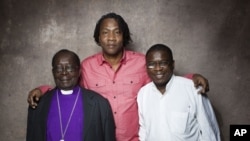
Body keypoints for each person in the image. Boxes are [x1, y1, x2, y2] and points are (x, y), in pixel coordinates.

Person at [27, 13, 210, 141]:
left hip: (135, 139)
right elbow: (67, 86)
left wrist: (192, 78)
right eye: (105, 32)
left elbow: (164, 79)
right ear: (98, 37)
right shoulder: (86, 66)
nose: (111, 38)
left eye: (117, 32)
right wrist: (43, 90)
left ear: (124, 36)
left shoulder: (141, 62)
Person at [26, 49, 116, 141]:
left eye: (70, 68)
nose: (64, 73)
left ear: (79, 71)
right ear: (53, 72)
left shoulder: (99, 103)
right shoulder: (38, 104)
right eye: (59, 68)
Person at [137, 44, 220, 141]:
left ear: (172, 64)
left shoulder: (193, 90)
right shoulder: (143, 94)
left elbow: (209, 132)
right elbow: (144, 131)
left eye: (163, 63)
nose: (158, 68)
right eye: (151, 64)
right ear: (146, 67)